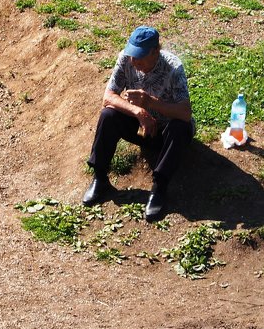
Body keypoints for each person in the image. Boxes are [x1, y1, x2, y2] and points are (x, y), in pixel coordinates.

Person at [83, 25, 194, 221]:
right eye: (132, 54)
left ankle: (159, 189)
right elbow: (108, 97)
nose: (134, 61)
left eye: (140, 56)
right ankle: (100, 178)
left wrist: (150, 102)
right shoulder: (126, 59)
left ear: (156, 51)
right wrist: (138, 111)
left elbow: (185, 113)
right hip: (140, 126)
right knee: (108, 115)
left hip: (165, 135)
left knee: (181, 128)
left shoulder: (173, 68)